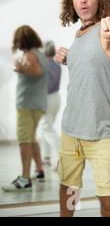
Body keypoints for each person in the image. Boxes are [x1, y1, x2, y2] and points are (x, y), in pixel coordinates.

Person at [55, 0, 110, 217]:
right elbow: (93, 66)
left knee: (108, 199)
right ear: (72, 2)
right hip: (72, 130)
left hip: (104, 133)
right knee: (69, 191)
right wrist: (69, 58)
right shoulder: (80, 34)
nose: (82, 0)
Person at [2, 25, 48, 191]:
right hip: (38, 104)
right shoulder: (40, 54)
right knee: (31, 139)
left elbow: (37, 71)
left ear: (22, 40)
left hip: (28, 106)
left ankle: (25, 179)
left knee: (24, 141)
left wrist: (20, 67)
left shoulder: (29, 55)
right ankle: (40, 170)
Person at [36, 40, 62, 169]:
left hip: (46, 99)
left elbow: (44, 85)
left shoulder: (43, 64)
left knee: (47, 129)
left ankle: (61, 158)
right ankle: (46, 157)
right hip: (56, 98)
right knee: (45, 128)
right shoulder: (56, 64)